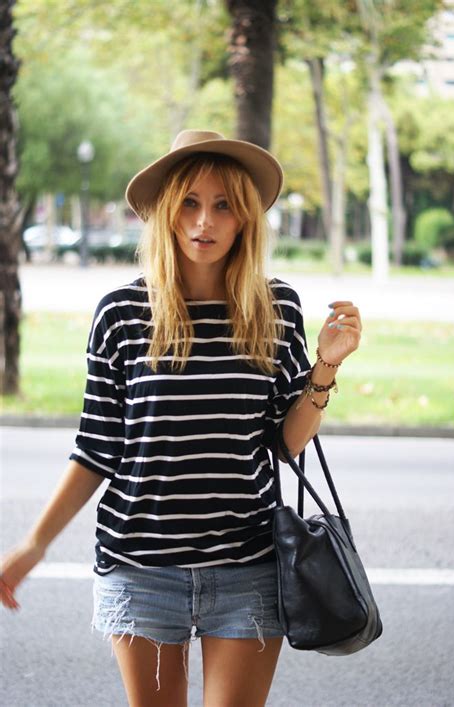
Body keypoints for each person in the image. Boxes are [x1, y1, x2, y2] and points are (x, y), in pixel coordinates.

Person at [0, 129, 362, 707]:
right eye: (190, 203)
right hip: (142, 568)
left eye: (223, 206)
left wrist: (325, 366)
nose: (204, 222)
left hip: (247, 564)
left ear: (245, 218)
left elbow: (286, 443)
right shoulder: (122, 313)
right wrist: (33, 545)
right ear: (167, 212)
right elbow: (97, 447)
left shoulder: (278, 310)